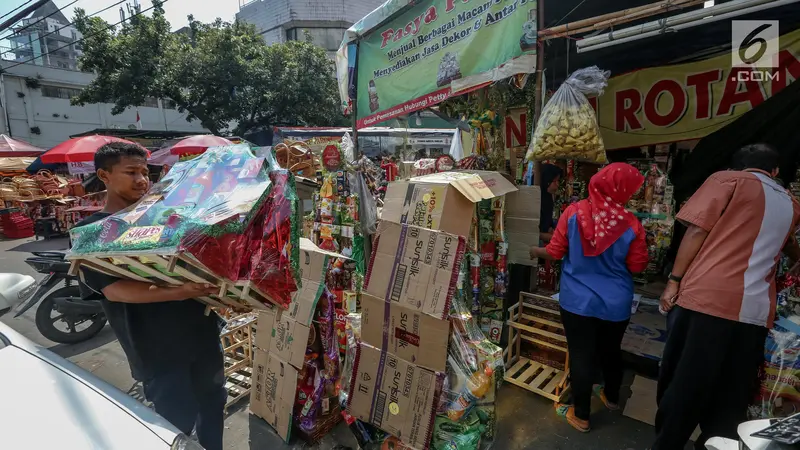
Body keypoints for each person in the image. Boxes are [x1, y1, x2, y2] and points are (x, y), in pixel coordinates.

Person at [76, 143, 226, 450]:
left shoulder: (166, 220)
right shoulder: (92, 231)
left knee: (213, 407)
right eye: (131, 172)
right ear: (104, 175)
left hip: (202, 335)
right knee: (175, 425)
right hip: (156, 350)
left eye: (145, 172)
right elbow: (113, 290)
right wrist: (180, 291)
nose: (142, 179)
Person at [653, 144, 800, 450]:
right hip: (756, 312)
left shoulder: (726, 180)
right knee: (732, 390)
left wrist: (673, 281)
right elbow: (787, 246)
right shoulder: (791, 202)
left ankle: (667, 444)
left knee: (685, 381)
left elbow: (696, 232)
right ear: (774, 172)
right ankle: (716, 443)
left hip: (707, 301)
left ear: (739, 167)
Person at [530, 162, 649, 432]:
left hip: (577, 301)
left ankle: (581, 415)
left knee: (582, 354)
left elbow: (556, 251)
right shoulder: (631, 223)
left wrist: (535, 251)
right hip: (616, 304)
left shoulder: (573, 213)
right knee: (611, 351)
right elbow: (638, 266)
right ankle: (612, 397)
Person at [539, 163, 564, 242]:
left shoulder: (548, 197)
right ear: (547, 181)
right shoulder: (537, 199)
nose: (557, 184)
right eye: (555, 181)